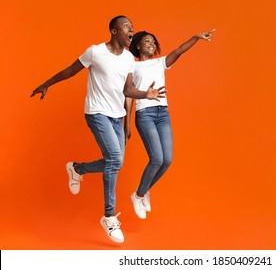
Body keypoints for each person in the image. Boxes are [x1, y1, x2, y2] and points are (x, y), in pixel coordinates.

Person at [30, 15, 165, 243]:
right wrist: (46, 84)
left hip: (116, 117)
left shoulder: (128, 61)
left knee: (117, 162)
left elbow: (128, 90)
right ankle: (109, 216)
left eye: (132, 27)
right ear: (114, 31)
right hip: (96, 113)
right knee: (114, 158)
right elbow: (70, 71)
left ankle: (77, 169)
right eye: (126, 26)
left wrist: (142, 98)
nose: (131, 29)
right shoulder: (95, 52)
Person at [127, 29, 215, 219]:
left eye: (154, 42)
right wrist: (126, 124)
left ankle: (141, 192)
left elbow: (179, 50)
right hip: (145, 114)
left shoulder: (160, 62)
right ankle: (139, 195)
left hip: (162, 114)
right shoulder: (132, 67)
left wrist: (196, 38)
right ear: (138, 45)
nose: (152, 44)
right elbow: (128, 97)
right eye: (147, 41)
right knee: (156, 159)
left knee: (167, 160)